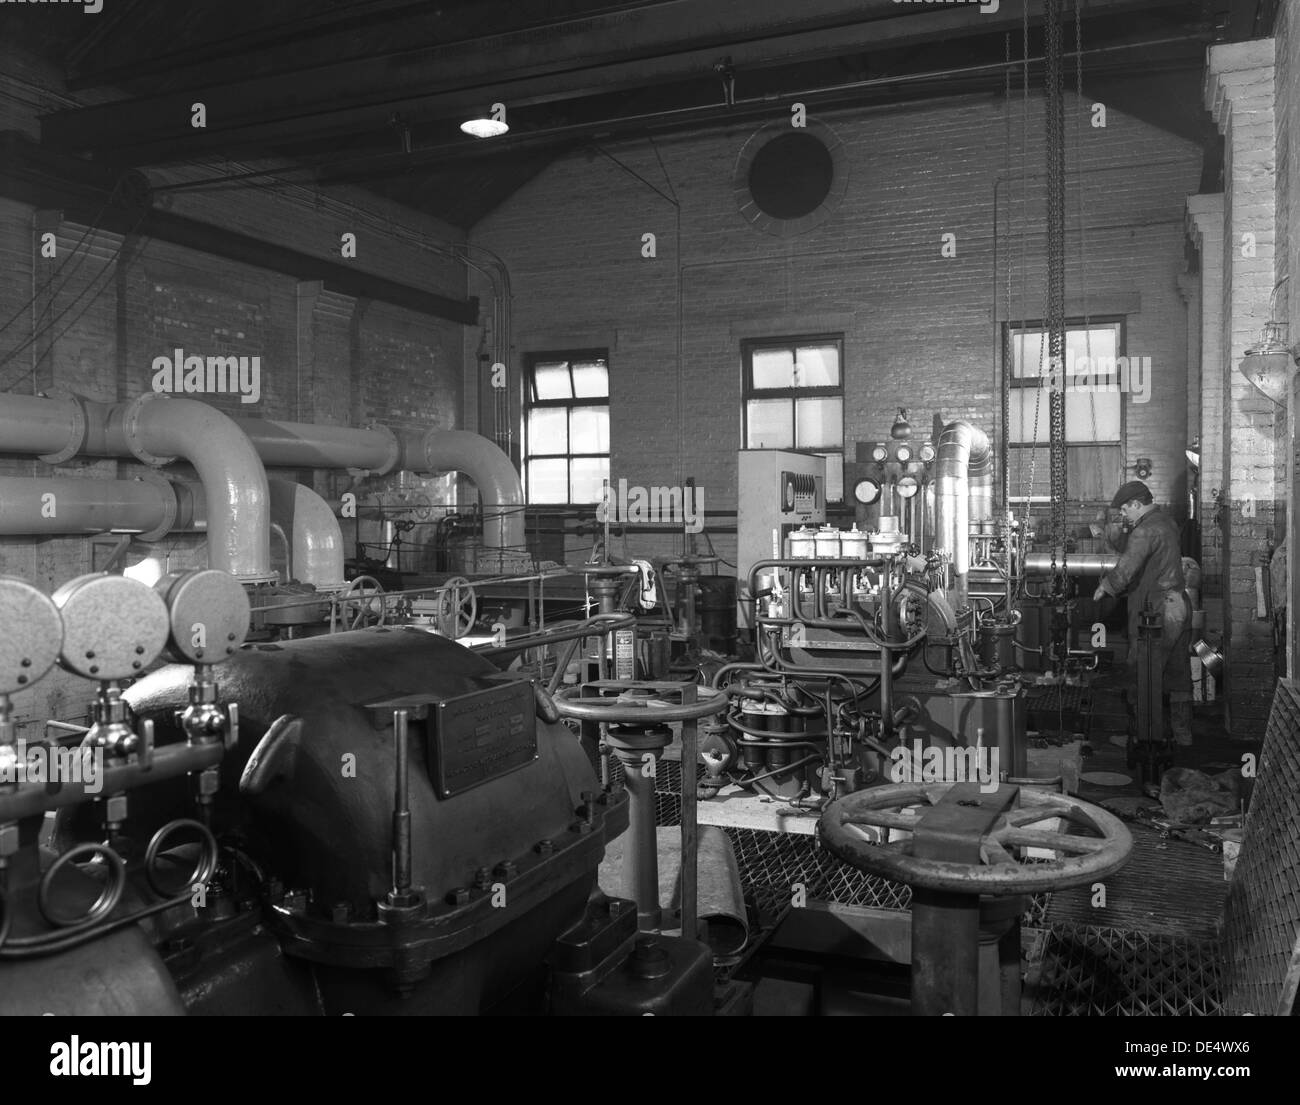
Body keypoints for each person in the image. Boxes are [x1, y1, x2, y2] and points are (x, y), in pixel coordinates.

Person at [1091, 481, 1193, 745]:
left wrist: (1106, 586)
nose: (1124, 514)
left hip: (1159, 609)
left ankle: (1143, 737)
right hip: (1179, 603)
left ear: (1137, 504)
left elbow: (1127, 567)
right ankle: (1183, 736)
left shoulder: (1145, 531)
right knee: (1178, 671)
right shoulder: (1166, 521)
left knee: (1142, 671)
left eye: (1125, 509)